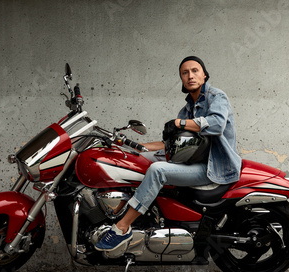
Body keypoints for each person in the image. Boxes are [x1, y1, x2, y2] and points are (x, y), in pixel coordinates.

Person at [95, 56, 241, 251]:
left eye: (195, 71)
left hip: (213, 169)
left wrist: (179, 123)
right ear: (181, 79)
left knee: (157, 170)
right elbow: (170, 145)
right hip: (191, 163)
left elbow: (216, 125)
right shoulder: (187, 109)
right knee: (137, 160)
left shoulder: (217, 97)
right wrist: (135, 148)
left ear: (204, 75)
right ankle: (121, 209)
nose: (190, 76)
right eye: (185, 73)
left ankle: (122, 228)